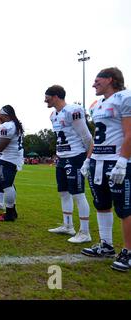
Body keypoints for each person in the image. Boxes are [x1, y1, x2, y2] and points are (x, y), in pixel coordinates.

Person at [80, 67, 131, 272]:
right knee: (101, 204)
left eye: (97, 80)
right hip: (98, 161)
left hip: (116, 161)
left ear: (110, 79)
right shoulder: (97, 104)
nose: (93, 84)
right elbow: (96, 136)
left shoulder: (124, 98)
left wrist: (123, 160)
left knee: (125, 209)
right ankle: (106, 245)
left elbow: (130, 132)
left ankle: (128, 251)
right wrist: (88, 159)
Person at [45, 85, 92, 244]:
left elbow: (86, 136)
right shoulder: (53, 115)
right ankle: (68, 225)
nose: (45, 100)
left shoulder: (74, 110)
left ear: (56, 96)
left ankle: (85, 232)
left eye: (47, 97)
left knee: (78, 194)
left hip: (75, 155)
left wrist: (88, 158)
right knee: (63, 193)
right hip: (63, 157)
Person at [0, 105, 24, 222]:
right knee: (9, 185)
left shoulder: (7, 126)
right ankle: (12, 211)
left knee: (6, 185)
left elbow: (0, 147)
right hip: (14, 158)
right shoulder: (14, 125)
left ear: (4, 115)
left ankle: (10, 214)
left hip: (9, 159)